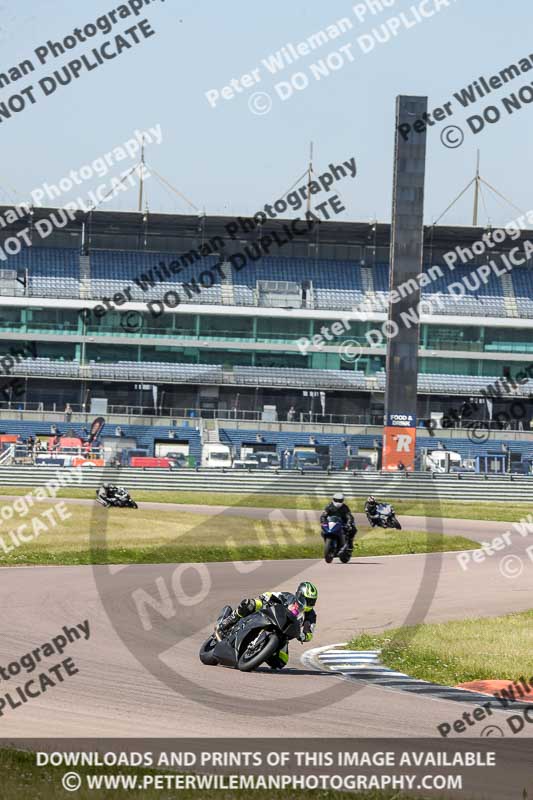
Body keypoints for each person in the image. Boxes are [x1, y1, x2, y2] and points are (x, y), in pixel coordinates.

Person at [216, 581, 319, 669]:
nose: (308, 603)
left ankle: (259, 652)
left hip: (284, 635)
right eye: (307, 600)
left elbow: (309, 632)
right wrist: (265, 598)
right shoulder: (288, 597)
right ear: (299, 594)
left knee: (280, 662)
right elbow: (271, 595)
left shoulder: (311, 616)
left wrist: (303, 635)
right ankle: (229, 621)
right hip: (267, 617)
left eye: (311, 601)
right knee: (251, 604)